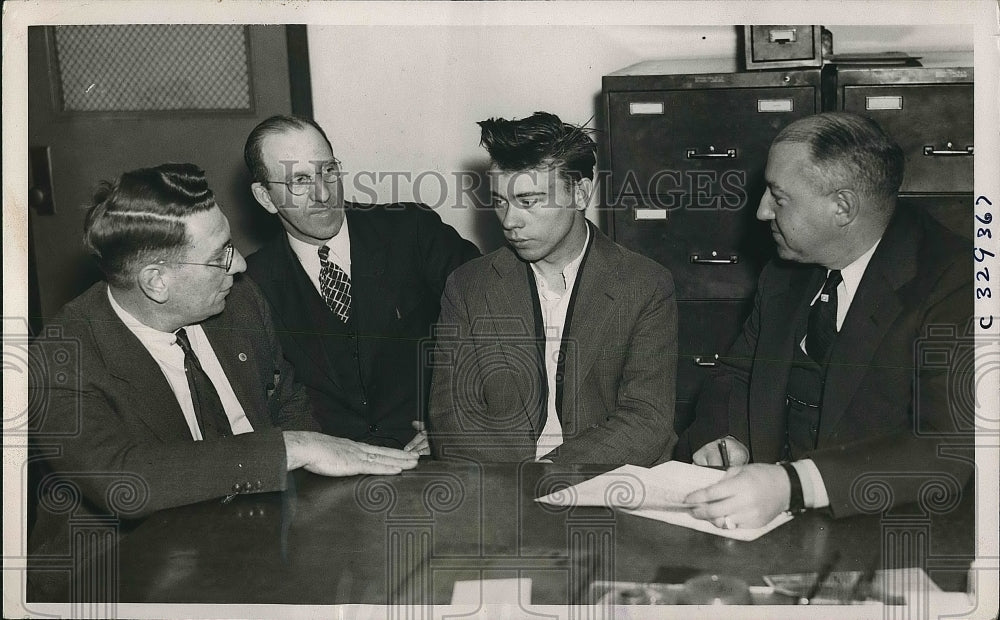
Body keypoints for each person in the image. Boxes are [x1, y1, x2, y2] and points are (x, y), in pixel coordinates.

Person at [28, 164, 418, 587]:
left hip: (258, 544)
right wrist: (290, 448)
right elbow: (125, 480)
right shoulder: (59, 358)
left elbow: (289, 406)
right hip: (120, 573)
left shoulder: (239, 302)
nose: (241, 267)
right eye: (220, 257)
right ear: (156, 282)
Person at [681, 112, 973, 528]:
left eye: (779, 197)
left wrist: (792, 485)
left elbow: (946, 450)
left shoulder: (959, 283)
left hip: (891, 528)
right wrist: (723, 439)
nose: (762, 211)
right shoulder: (785, 271)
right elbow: (737, 374)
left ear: (842, 207)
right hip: (769, 520)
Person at [428, 111, 677, 464]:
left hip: (606, 480)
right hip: (503, 486)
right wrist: (522, 483)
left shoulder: (646, 286)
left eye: (528, 202)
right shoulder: (468, 287)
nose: (510, 222)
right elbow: (451, 420)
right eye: (500, 202)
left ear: (580, 194)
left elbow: (646, 420)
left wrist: (552, 471)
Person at [244, 116, 479, 454]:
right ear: (265, 197)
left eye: (328, 171)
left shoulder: (410, 229)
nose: (323, 193)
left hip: (434, 459)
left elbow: (493, 314)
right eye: (300, 180)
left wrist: (457, 421)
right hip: (325, 480)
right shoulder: (252, 282)